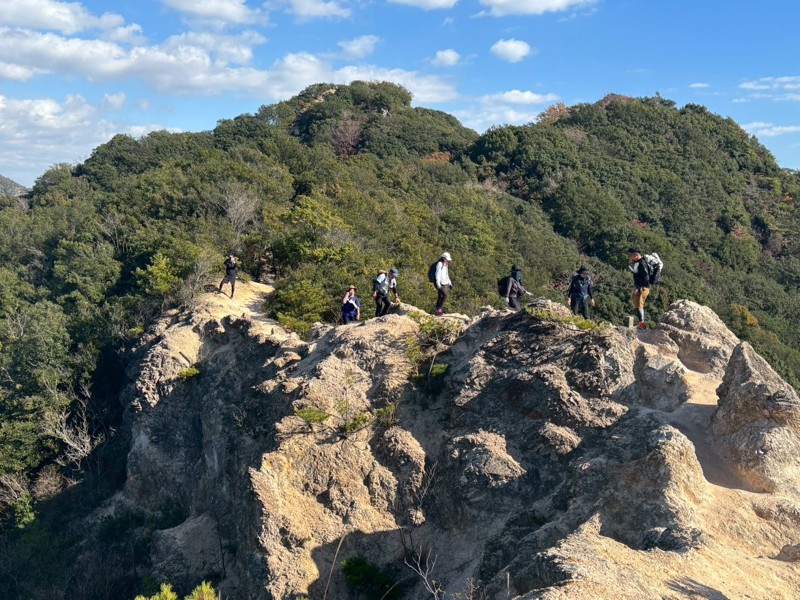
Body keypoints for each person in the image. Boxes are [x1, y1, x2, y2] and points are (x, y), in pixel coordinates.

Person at [628, 249, 652, 329]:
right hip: (639, 287)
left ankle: (642, 326)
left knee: (639, 306)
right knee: (637, 305)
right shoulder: (637, 263)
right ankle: (641, 324)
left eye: (631, 255)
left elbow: (646, 278)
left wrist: (638, 287)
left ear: (636, 255)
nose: (630, 257)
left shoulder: (642, 264)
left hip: (643, 288)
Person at [434, 252, 452, 317]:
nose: (447, 260)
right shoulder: (439, 264)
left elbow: (446, 274)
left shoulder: (446, 264)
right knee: (445, 295)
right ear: (443, 258)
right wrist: (438, 284)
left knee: (440, 296)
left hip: (445, 282)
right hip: (439, 283)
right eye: (446, 259)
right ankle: (439, 309)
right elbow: (437, 274)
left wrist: (449, 282)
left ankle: (437, 311)